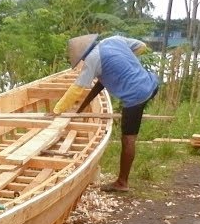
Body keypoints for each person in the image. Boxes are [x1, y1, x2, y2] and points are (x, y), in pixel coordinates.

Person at [52, 33, 159, 192]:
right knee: (129, 127)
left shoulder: (92, 60)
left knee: (128, 139)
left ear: (83, 55)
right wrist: (81, 108)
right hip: (151, 83)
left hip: (135, 96)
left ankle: (122, 183)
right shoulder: (114, 40)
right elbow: (141, 46)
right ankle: (122, 181)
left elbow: (76, 89)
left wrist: (57, 110)